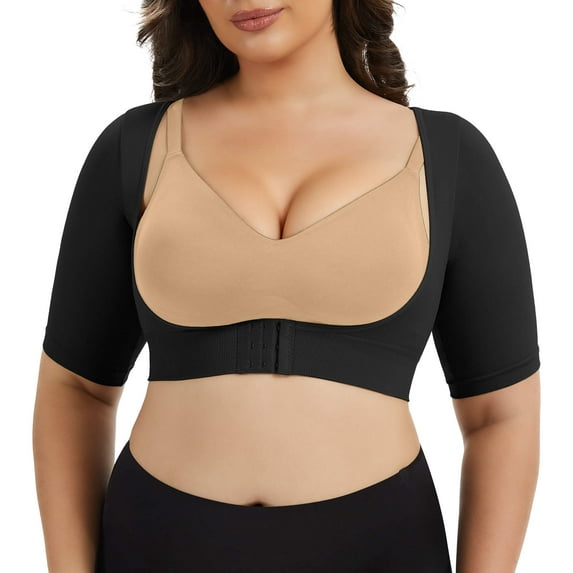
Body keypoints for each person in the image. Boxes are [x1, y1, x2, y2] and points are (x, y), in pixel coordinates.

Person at [33, 1, 541, 571]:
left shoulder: (448, 155)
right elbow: (75, 389)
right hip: (156, 543)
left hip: (380, 547)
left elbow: (501, 415)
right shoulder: (135, 146)